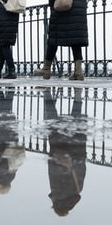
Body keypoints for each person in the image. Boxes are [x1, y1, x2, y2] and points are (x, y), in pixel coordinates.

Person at [44, 86, 87, 215]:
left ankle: (78, 95)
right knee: (53, 121)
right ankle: (47, 95)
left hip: (77, 150)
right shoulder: (57, 193)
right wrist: (52, 158)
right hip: (60, 151)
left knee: (76, 119)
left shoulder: (77, 191)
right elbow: (52, 171)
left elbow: (81, 169)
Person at [0, 87, 25, 194]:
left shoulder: (13, 172)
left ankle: (10, 90)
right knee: (3, 111)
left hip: (13, 139)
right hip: (0, 139)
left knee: (8, 110)